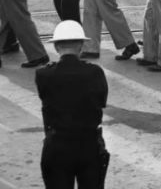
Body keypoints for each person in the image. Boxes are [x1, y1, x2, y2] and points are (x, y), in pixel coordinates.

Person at [35, 20, 108, 189]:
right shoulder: (95, 73)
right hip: (89, 144)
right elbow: (101, 102)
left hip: (57, 144)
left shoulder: (43, 74)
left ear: (56, 47)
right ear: (81, 46)